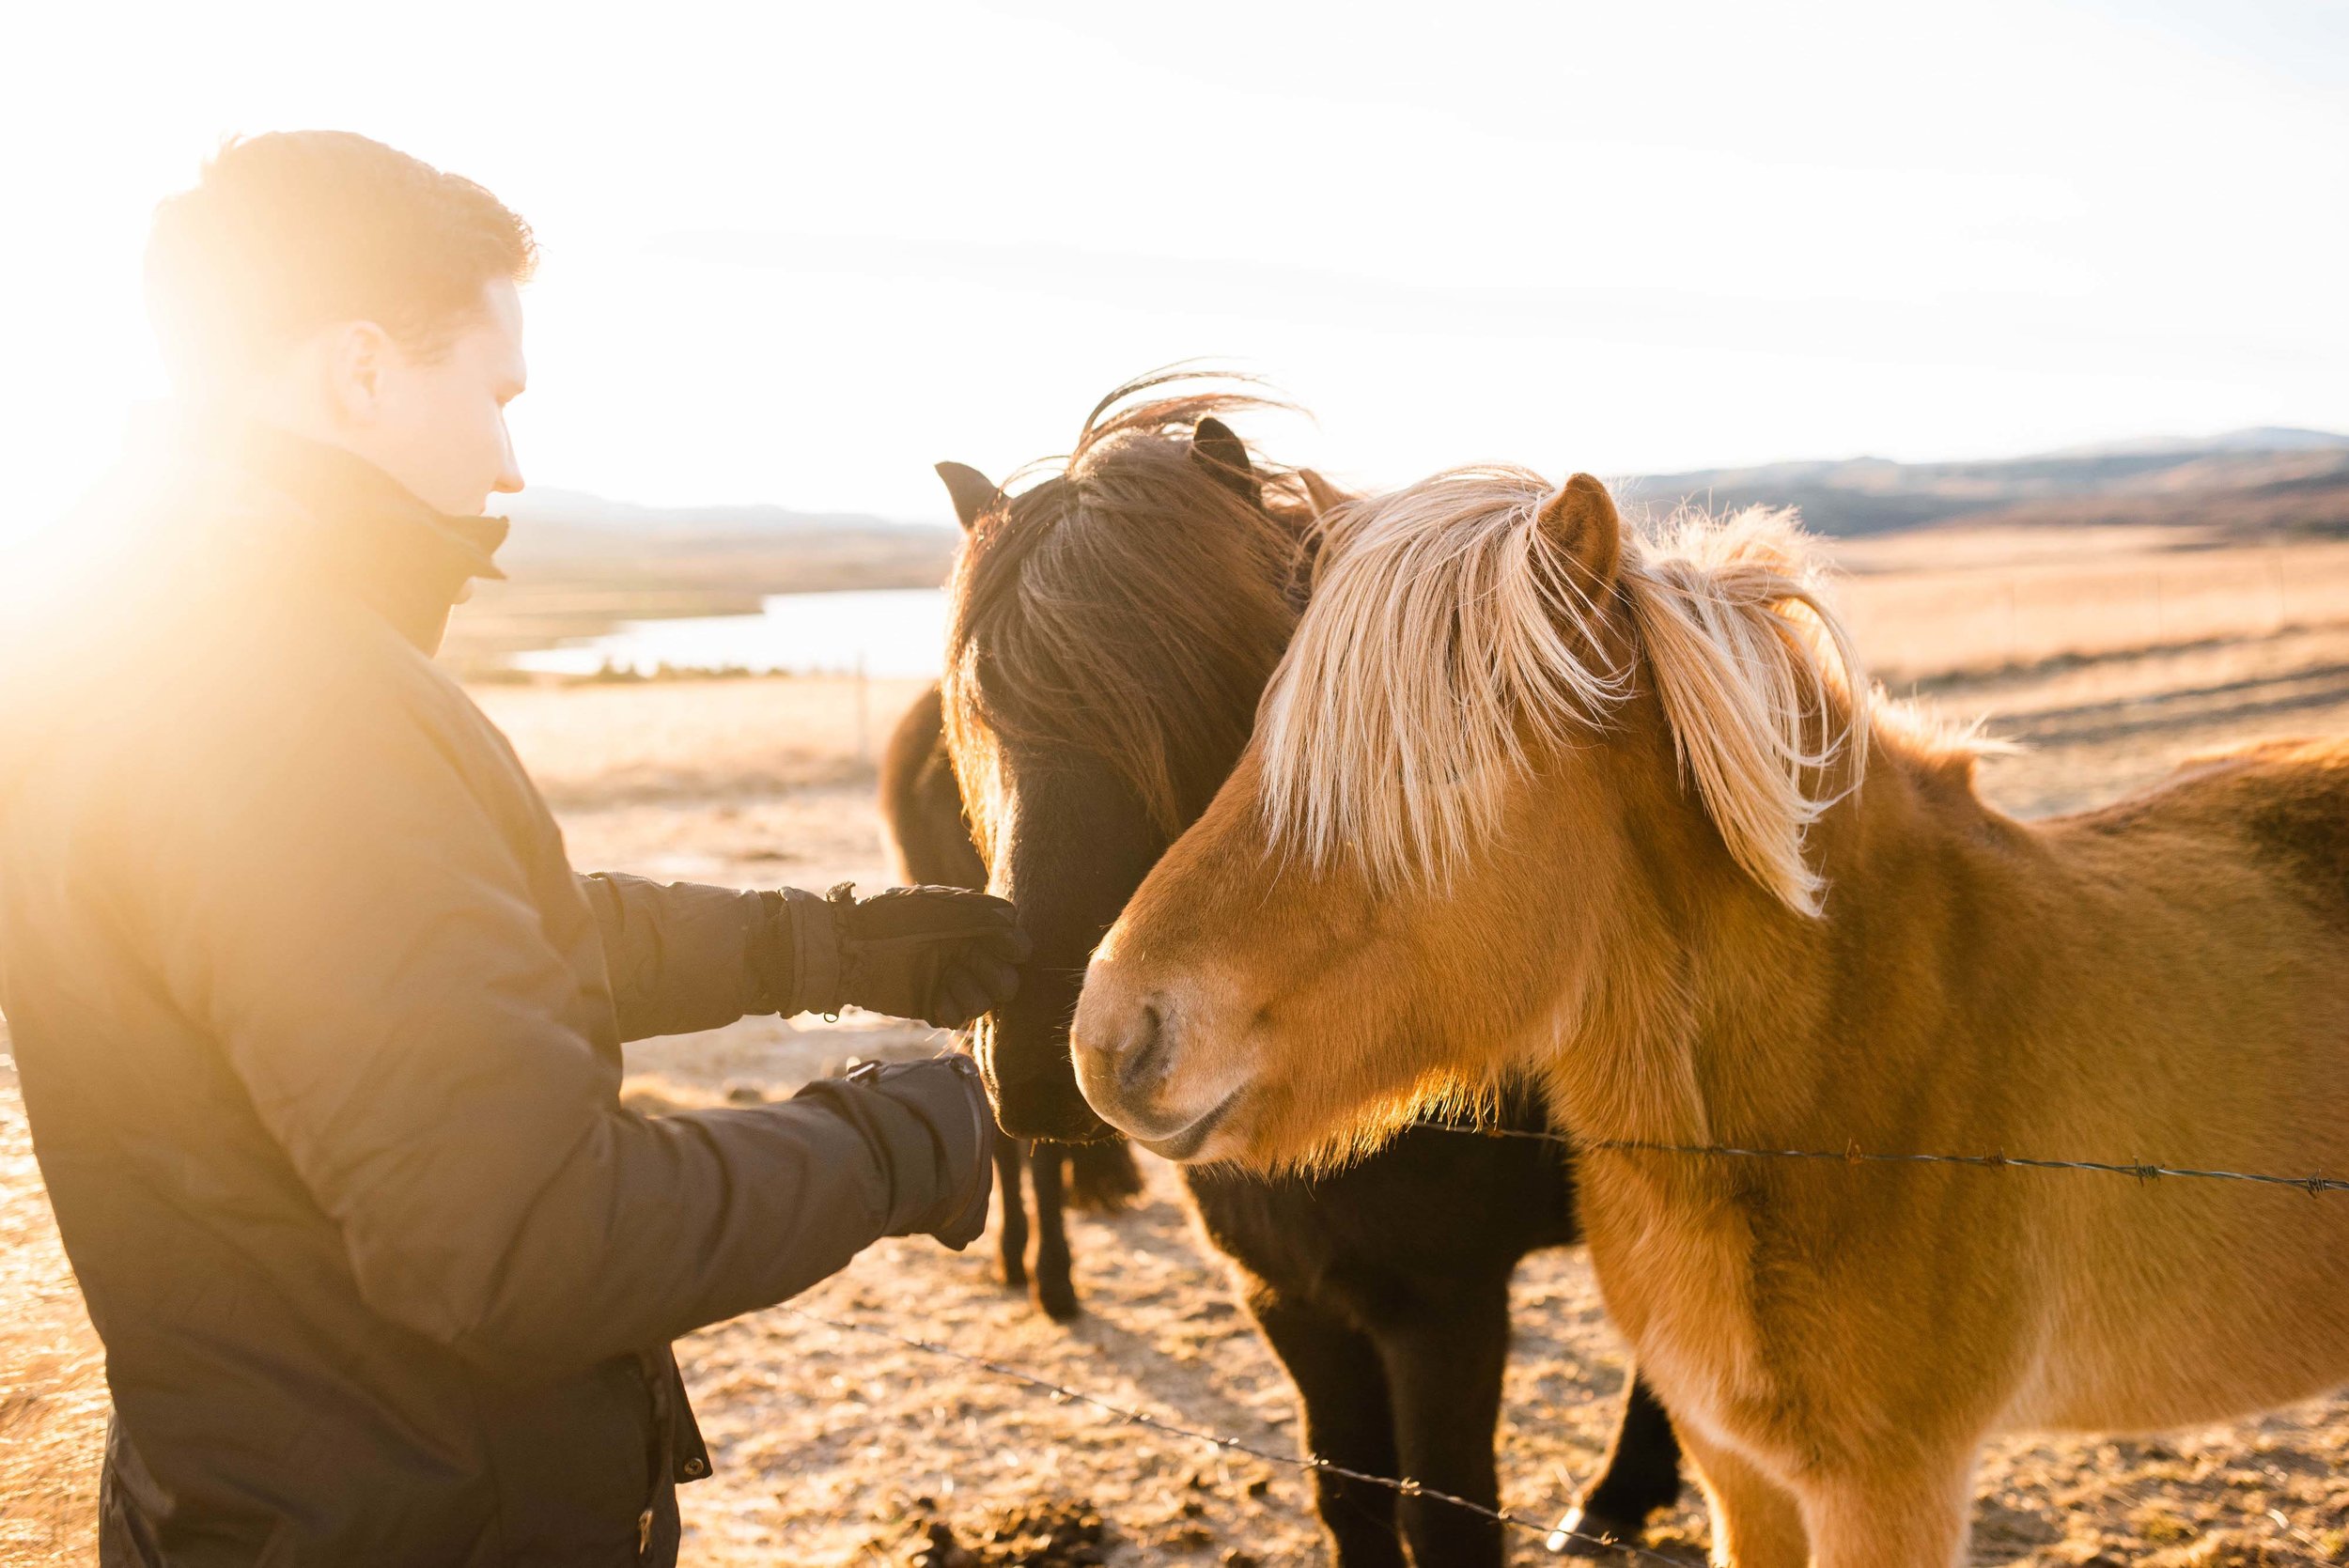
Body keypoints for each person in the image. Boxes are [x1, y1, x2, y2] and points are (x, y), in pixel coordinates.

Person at [0, 132, 1025, 1566]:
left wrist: (828, 943)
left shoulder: (143, 647)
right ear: (361, 370)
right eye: (490, 393)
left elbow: (419, 954)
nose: (511, 460)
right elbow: (530, 1243)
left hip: (268, 1495)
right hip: (421, 1523)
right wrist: (901, 1138)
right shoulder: (281, 701)